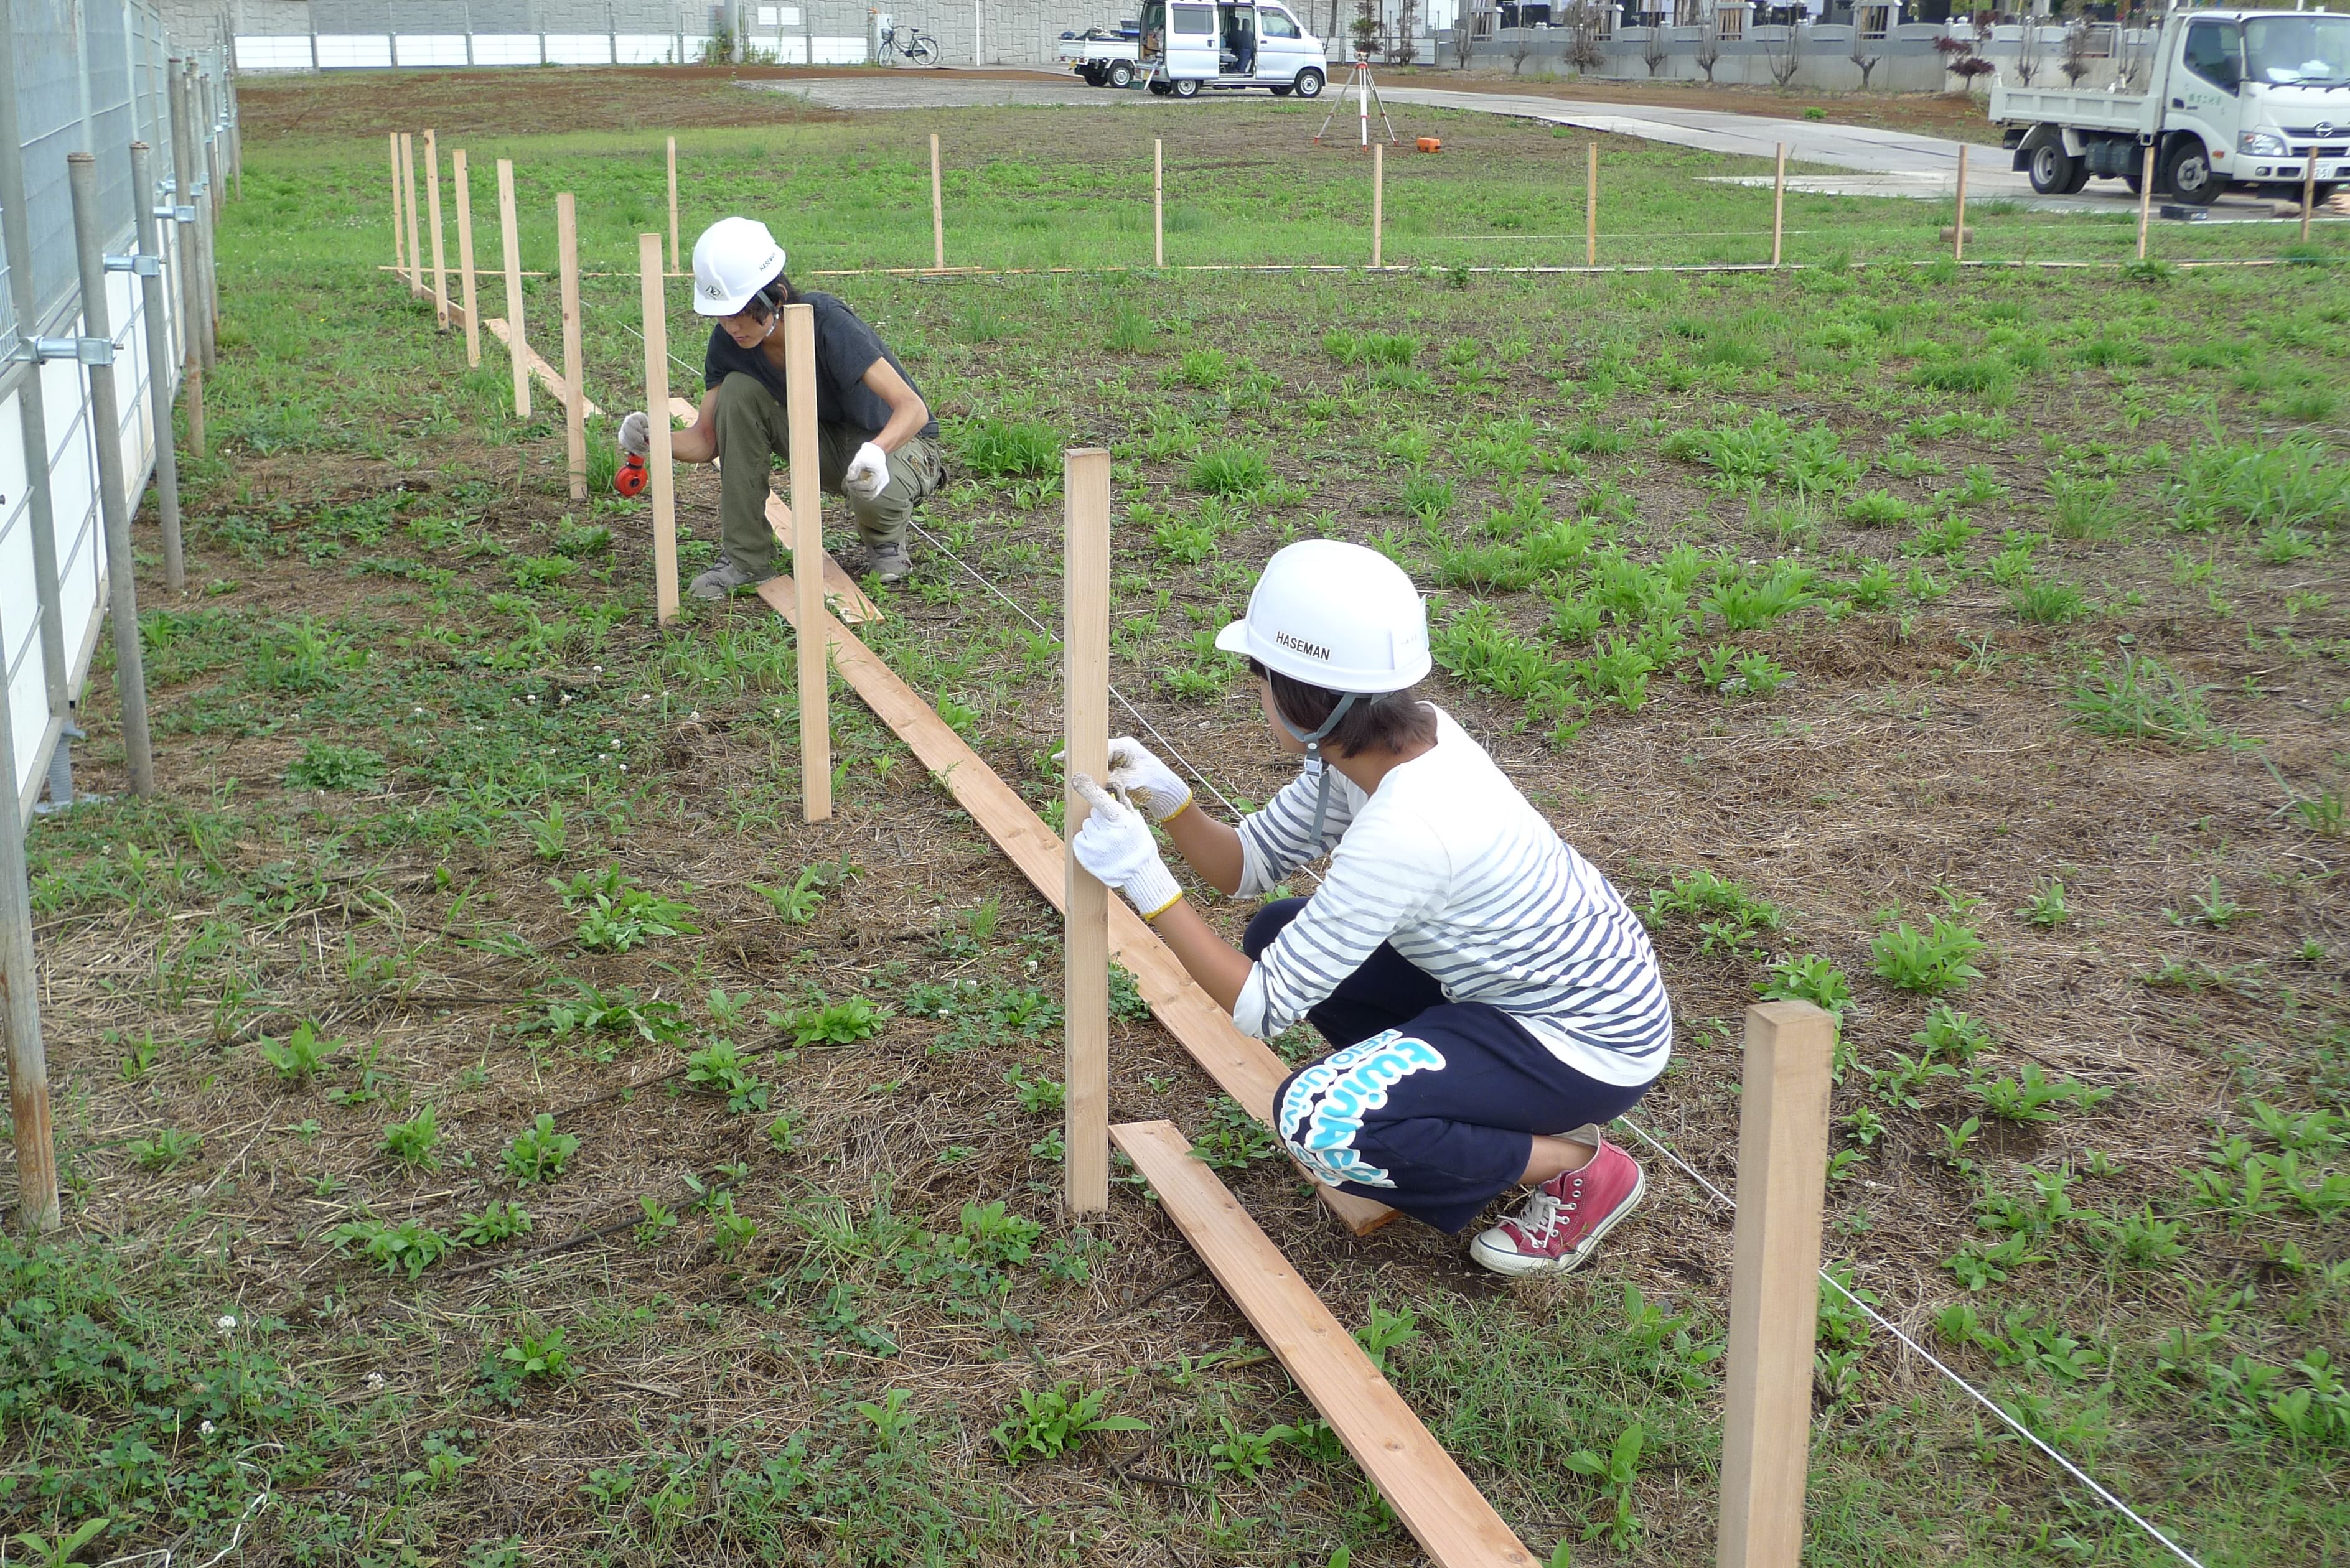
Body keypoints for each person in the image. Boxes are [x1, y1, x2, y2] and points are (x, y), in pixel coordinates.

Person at [1067, 540, 1673, 1275]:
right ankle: (1465, 1121)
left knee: (1318, 1122)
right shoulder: (1384, 748)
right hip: (1524, 996)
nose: (1253, 691)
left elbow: (1260, 1008)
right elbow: (1245, 866)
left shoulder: (1407, 826)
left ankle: (1579, 1167)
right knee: (1276, 927)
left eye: (1258, 675)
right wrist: (1170, 802)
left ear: (1299, 696)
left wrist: (1147, 885)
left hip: (1586, 1044)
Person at [617, 217, 943, 599]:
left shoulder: (827, 323)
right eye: (721, 314)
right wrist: (654, 438)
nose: (731, 326)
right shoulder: (727, 345)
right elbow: (706, 440)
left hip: (900, 443)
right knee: (737, 391)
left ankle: (885, 541)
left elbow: (912, 409)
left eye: (741, 312)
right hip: (825, 444)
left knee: (876, 492)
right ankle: (747, 559)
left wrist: (877, 450)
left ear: (777, 297)